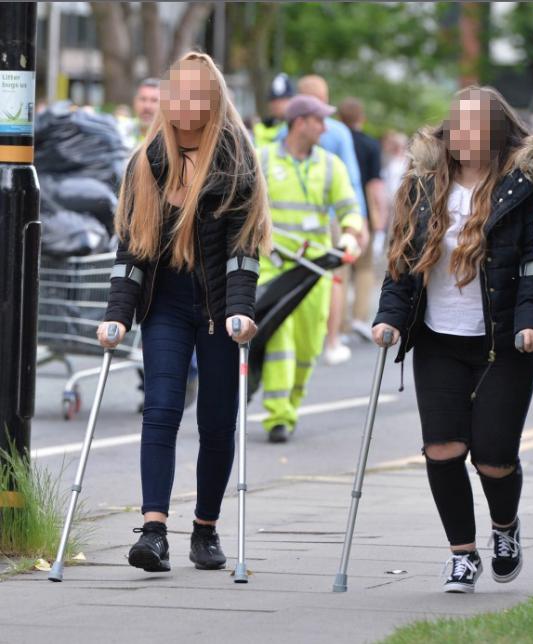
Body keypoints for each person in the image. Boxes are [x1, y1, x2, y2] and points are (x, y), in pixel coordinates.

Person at [372, 86, 533, 593]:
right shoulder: (423, 182)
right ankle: (462, 554)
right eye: (457, 125)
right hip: (438, 338)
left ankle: (504, 528)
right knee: (442, 449)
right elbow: (403, 259)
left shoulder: (523, 183)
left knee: (494, 457)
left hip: (504, 339)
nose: (463, 135)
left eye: (475, 127)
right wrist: (389, 316)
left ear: (498, 132)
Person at [97, 52, 270, 573]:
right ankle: (153, 531)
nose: (186, 106)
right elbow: (132, 251)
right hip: (167, 303)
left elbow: (244, 250)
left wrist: (241, 309)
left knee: (218, 422)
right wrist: (118, 316)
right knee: (162, 407)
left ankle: (206, 528)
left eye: (198, 97)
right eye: (179, 95)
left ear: (214, 101)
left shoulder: (236, 161)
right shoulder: (147, 161)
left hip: (219, 306)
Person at [258, 94, 363, 443]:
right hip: (274, 267)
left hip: (315, 268)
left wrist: (349, 234)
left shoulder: (330, 165)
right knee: (279, 340)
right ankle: (278, 417)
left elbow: (350, 208)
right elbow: (246, 208)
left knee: (306, 348)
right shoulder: (264, 160)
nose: (325, 127)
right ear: (300, 122)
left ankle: (292, 403)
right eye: (319, 120)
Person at [294, 75, 368, 365]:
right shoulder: (338, 132)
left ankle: (324, 336)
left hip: (298, 219)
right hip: (331, 217)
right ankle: (332, 338)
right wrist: (358, 222)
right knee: (334, 277)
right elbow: (352, 179)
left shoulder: (286, 131)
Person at [338, 97, 388, 340]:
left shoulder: (333, 140)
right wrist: (379, 215)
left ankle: (341, 324)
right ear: (362, 118)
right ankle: (359, 317)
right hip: (362, 211)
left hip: (337, 212)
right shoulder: (370, 145)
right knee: (364, 267)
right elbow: (375, 184)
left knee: (342, 265)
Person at [253, 73, 295, 147]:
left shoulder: (295, 128)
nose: (276, 104)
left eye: (282, 99)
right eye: (272, 99)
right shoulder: (259, 127)